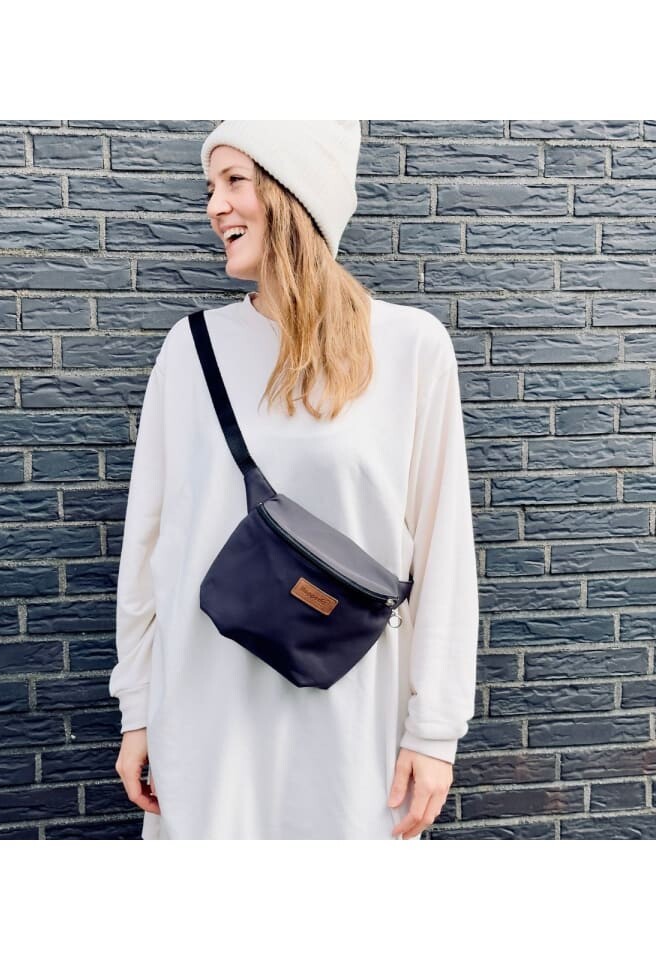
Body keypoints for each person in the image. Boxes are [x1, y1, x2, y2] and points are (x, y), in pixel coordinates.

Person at [109, 120, 479, 840]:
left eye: (235, 180)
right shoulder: (191, 350)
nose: (215, 205)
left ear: (296, 193)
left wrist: (435, 730)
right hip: (205, 716)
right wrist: (138, 708)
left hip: (351, 725)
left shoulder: (411, 348)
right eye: (210, 186)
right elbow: (149, 547)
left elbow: (444, 553)